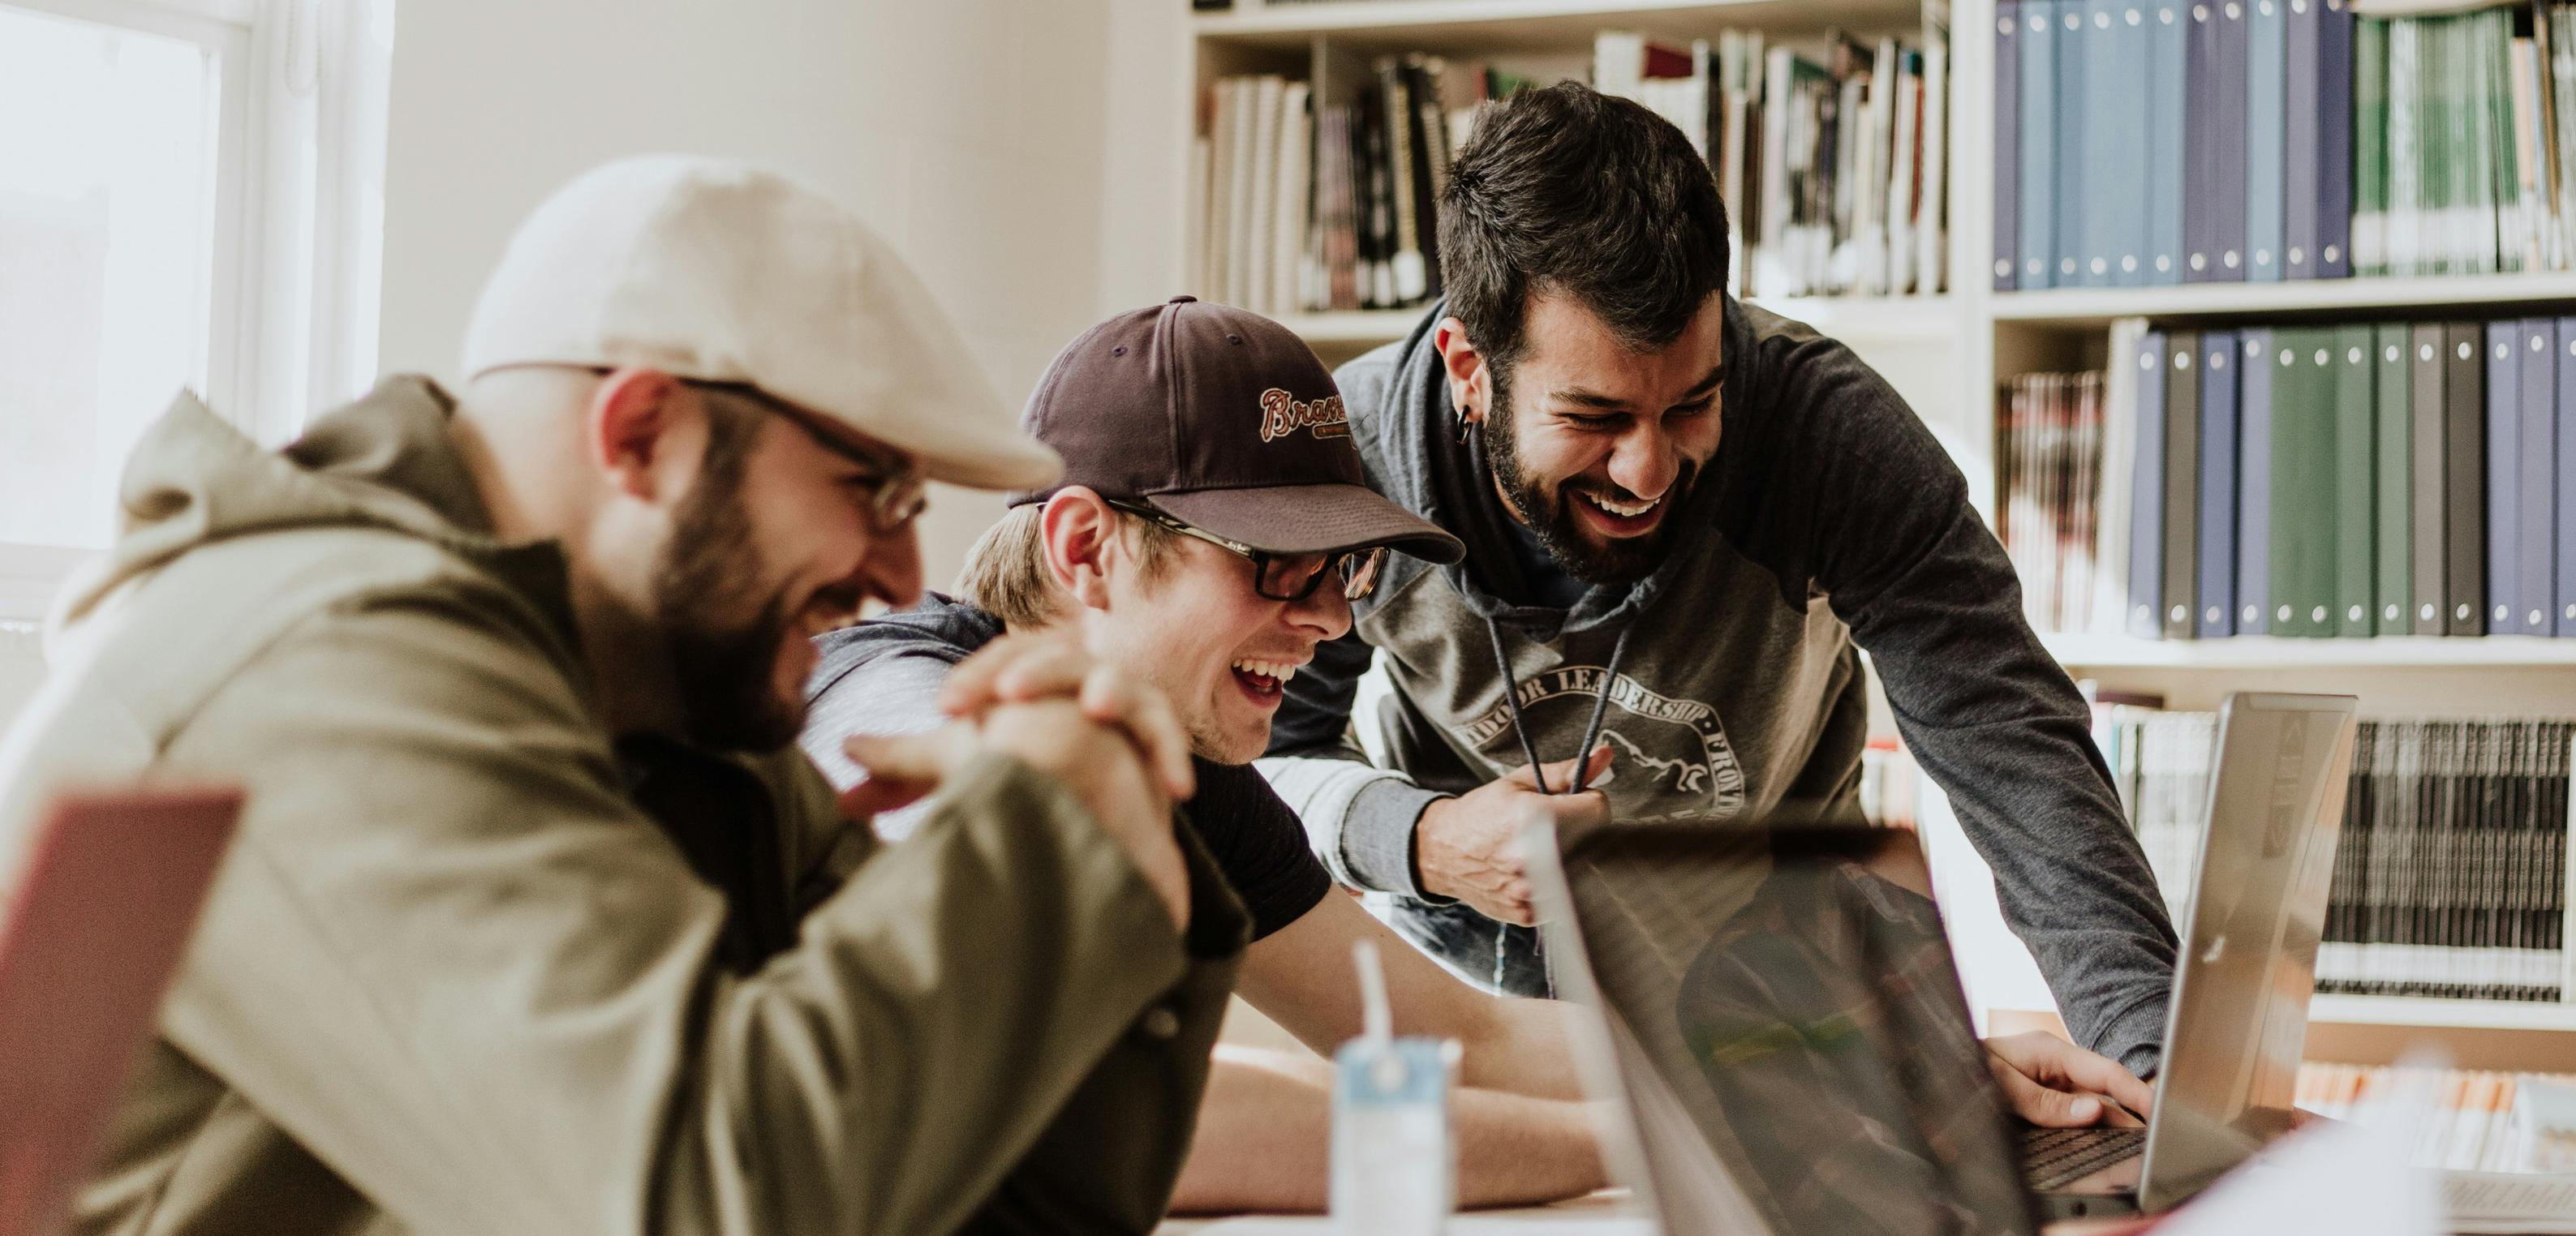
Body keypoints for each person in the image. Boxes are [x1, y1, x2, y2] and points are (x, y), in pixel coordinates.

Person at [0, 156, 1242, 1234]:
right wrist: (1040, 824)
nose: (903, 573)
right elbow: (712, 1201)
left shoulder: (666, 702)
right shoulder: (319, 669)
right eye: (872, 489)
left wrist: (1122, 832)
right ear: (642, 431)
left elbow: (1020, 1204)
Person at [802, 298, 2147, 1212]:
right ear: (1088, 547)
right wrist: (1719, 1137)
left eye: (1344, 572)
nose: (1330, 618)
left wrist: (1886, 1068)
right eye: (1279, 566)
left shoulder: (1188, 762)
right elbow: (1113, 1106)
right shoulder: (900, 702)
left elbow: (1451, 1030)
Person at [1254, 81, 2178, 1084]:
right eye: (1596, 418)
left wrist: (2155, 1077)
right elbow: (1256, 761)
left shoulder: (1828, 433)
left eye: (1691, 404)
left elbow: (2014, 749)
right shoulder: (1352, 465)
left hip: (1781, 1002)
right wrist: (1422, 839)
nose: (1647, 472)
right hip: (1469, 1016)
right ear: (1469, 366)